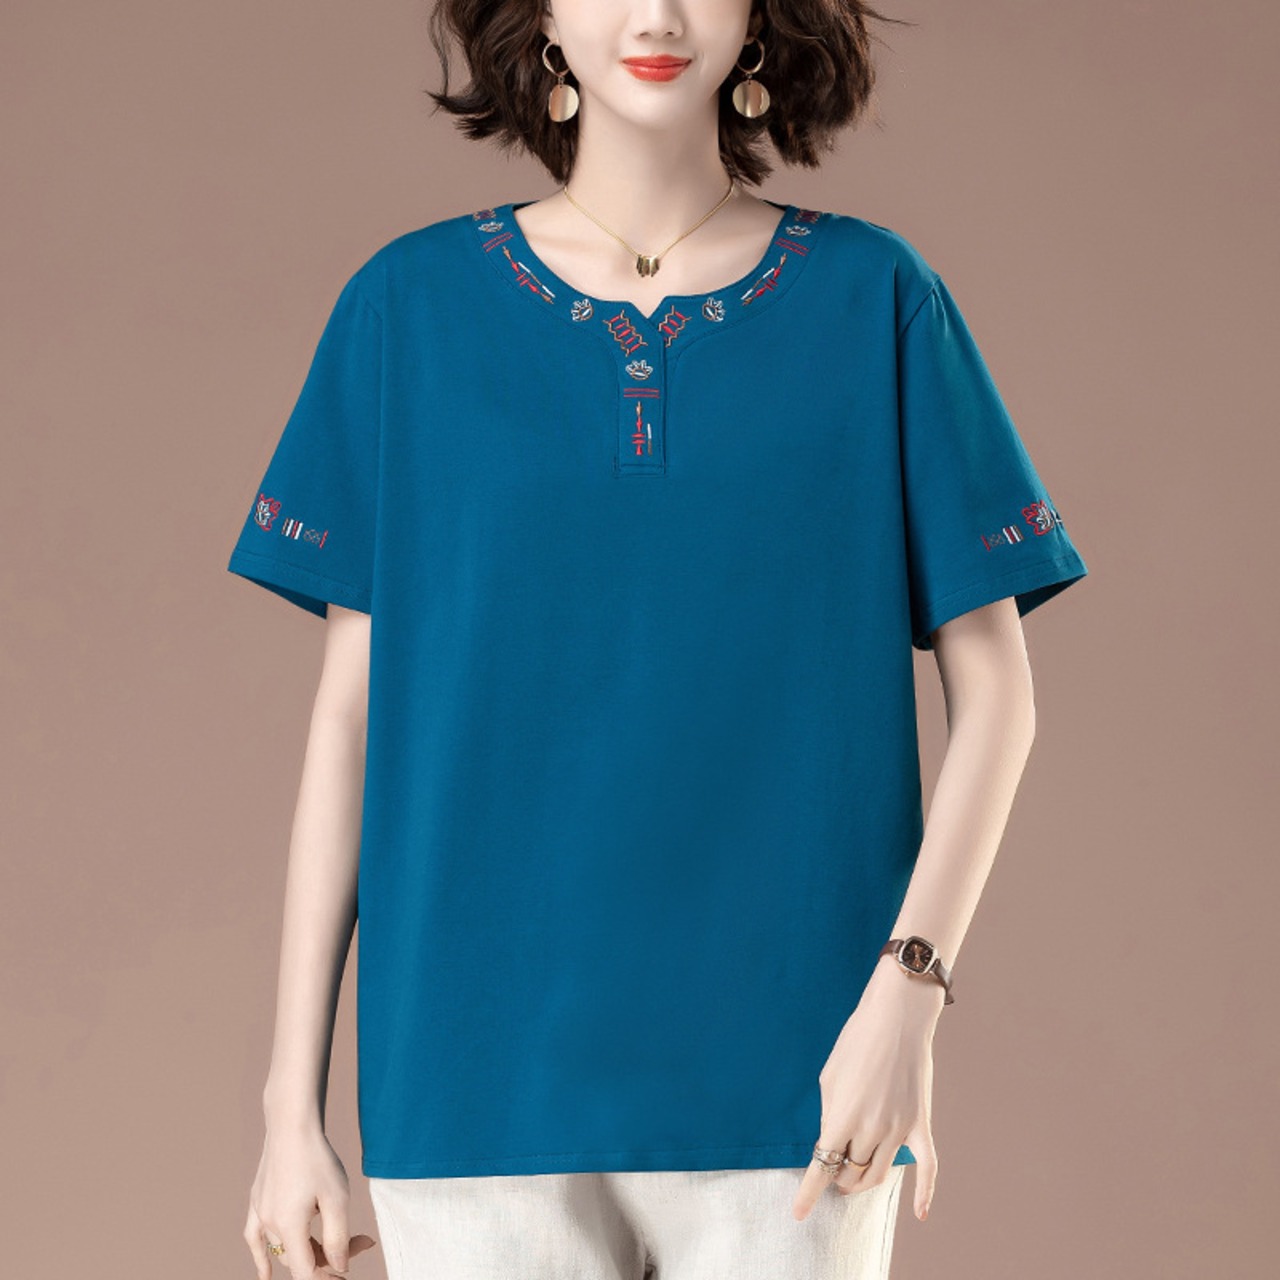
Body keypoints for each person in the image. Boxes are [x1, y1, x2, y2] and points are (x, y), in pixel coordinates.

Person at [230, 2, 1089, 1277]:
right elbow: (350, 720)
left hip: (800, 1076)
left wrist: (906, 999)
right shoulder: (405, 310)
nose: (656, 14)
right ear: (539, 17)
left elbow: (999, 695)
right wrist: (286, 1110)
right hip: (468, 1072)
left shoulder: (874, 299)